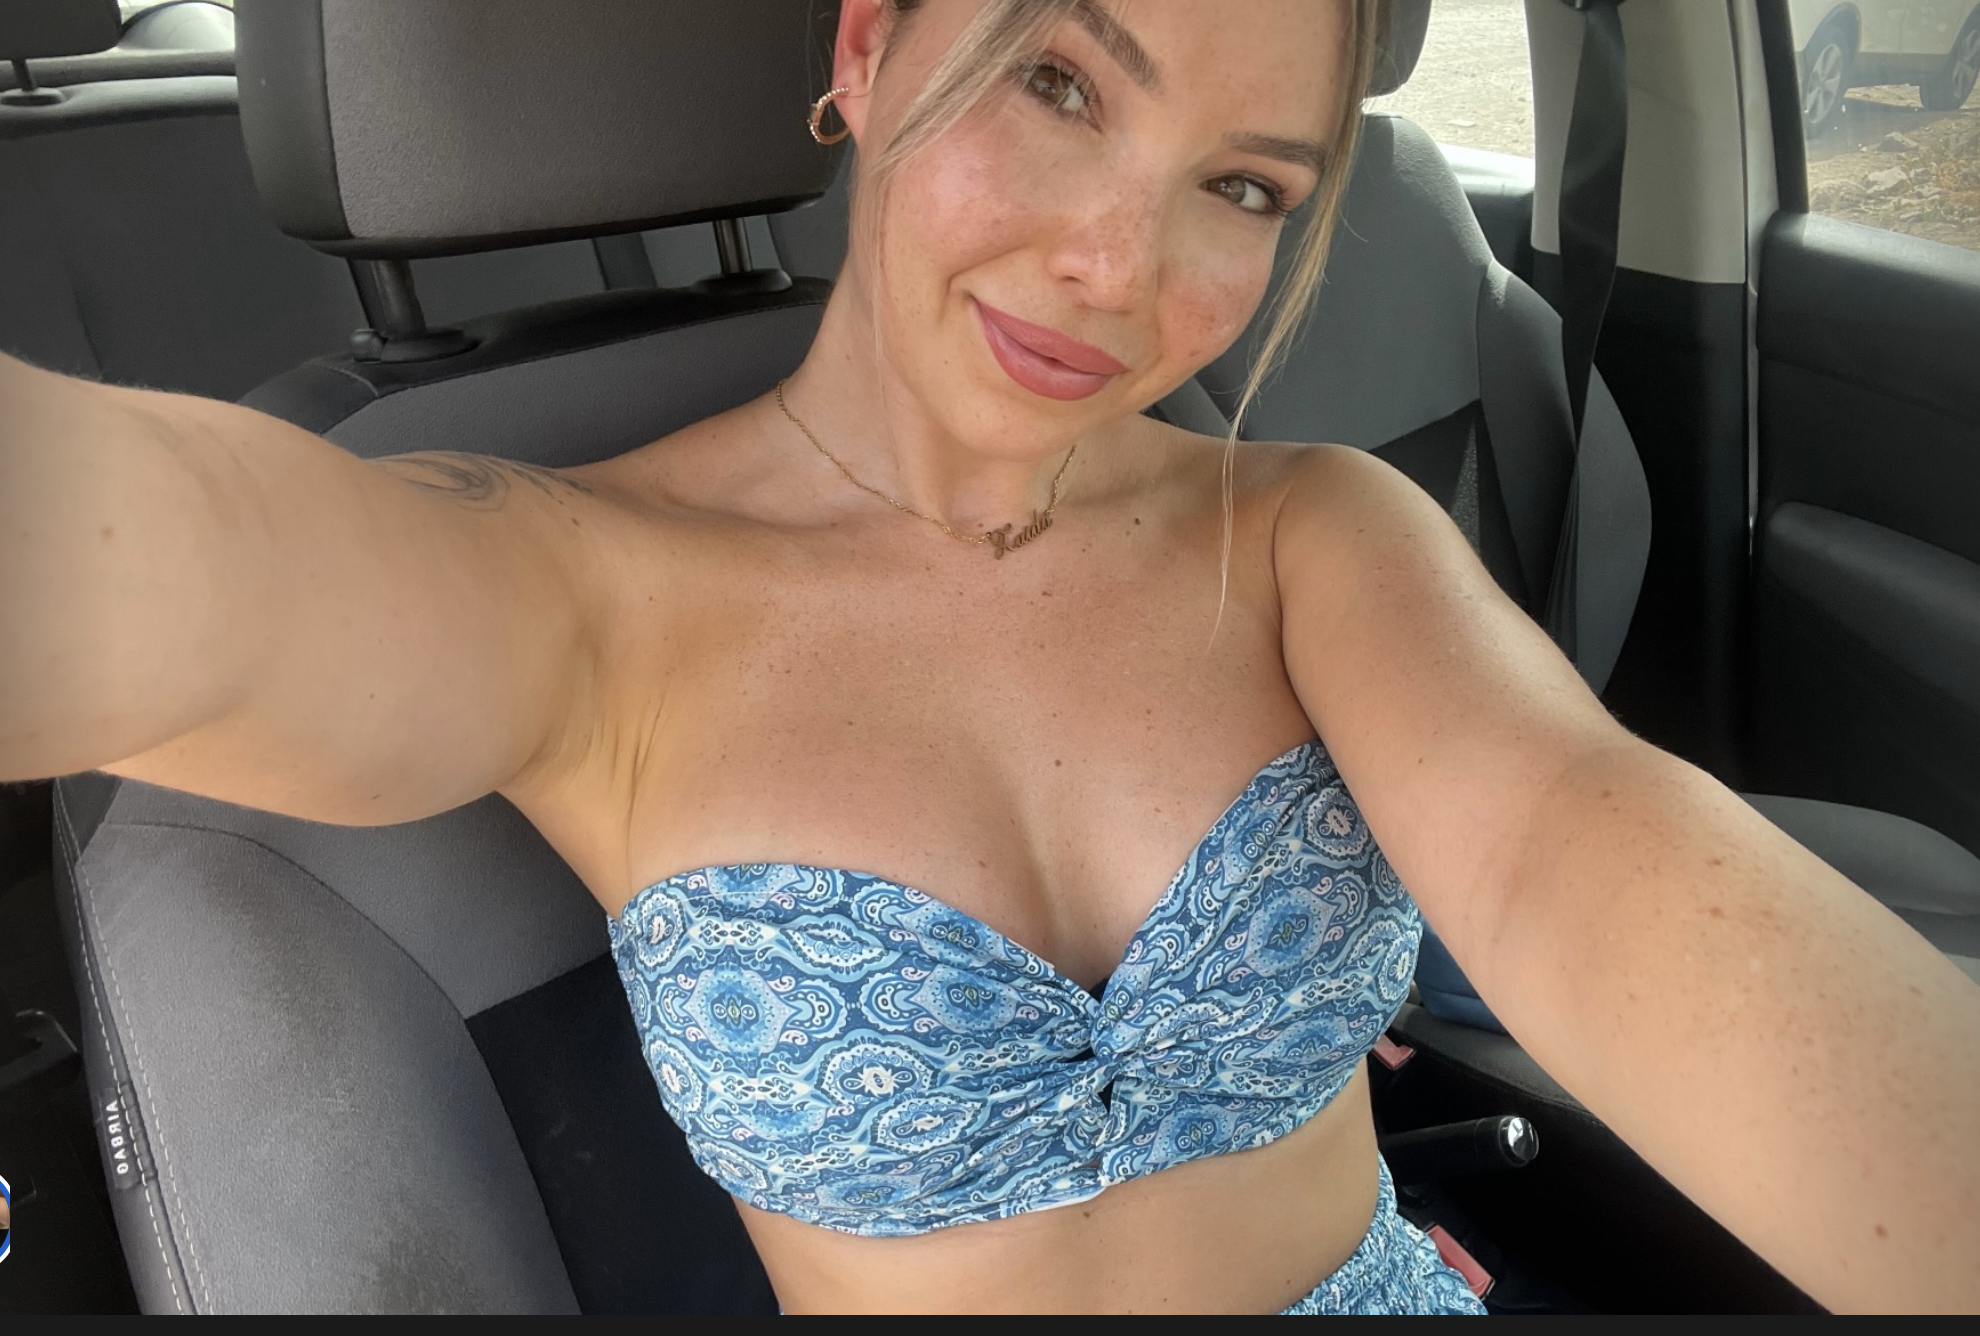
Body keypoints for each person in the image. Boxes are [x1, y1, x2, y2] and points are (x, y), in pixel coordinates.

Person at [2, 0, 1976, 1315]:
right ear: (869, 49)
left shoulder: (1313, 534)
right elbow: (191, 575)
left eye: (1243, 186)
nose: (1119, 265)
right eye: (1060, 83)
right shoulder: (581, 586)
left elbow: (1577, 847)